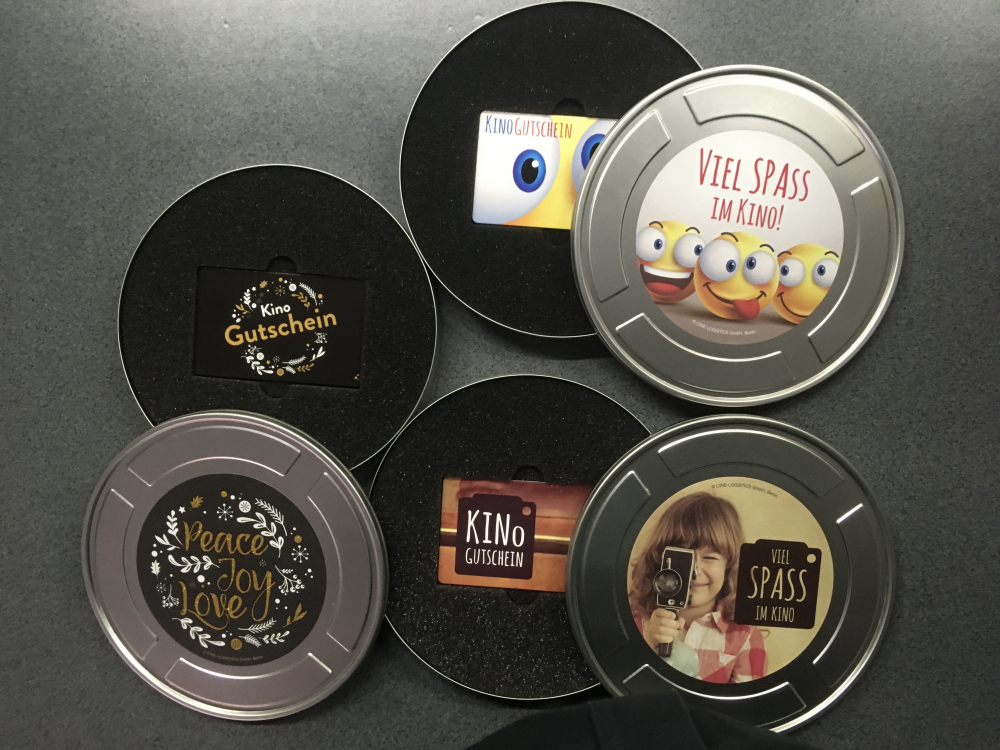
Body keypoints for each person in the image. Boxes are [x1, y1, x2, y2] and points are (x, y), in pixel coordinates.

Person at [629, 491, 766, 683]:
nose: (695, 571)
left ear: (729, 567)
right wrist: (648, 643)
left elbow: (748, 701)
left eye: (709, 557)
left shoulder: (745, 636)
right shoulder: (633, 622)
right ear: (659, 560)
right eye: (683, 557)